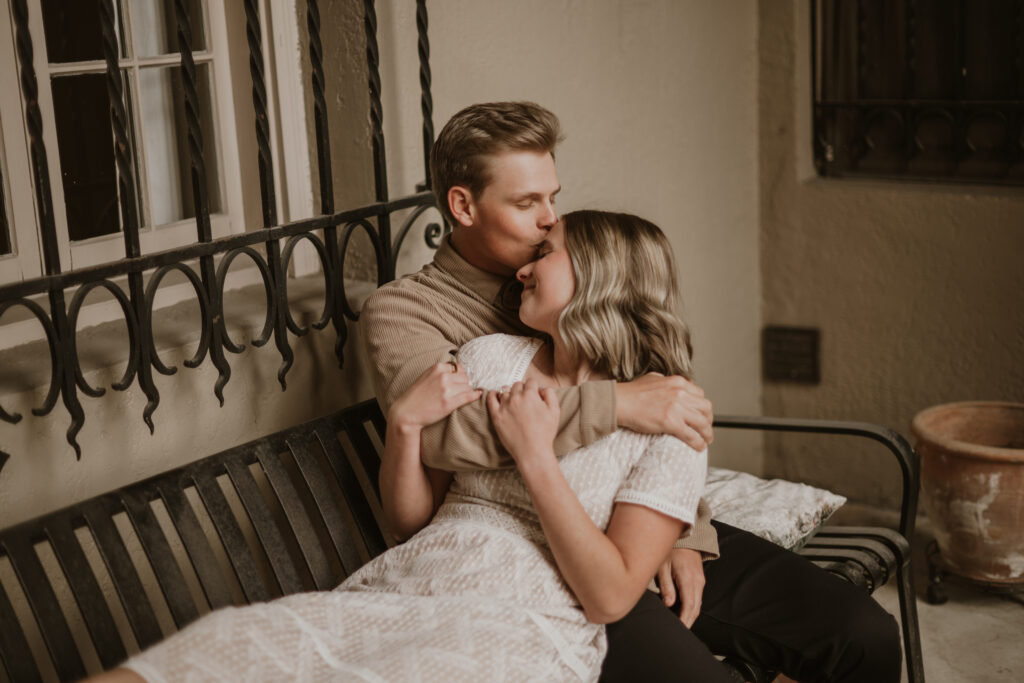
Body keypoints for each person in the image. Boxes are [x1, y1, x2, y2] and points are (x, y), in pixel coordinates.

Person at [361, 101, 902, 682]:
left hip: (631, 519)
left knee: (862, 636)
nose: (548, 219)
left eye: (552, 197)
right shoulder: (407, 310)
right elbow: (446, 433)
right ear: (463, 206)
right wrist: (620, 404)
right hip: (530, 551)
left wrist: (685, 529)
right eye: (526, 204)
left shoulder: (580, 277)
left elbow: (662, 397)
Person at [91, 210, 710, 681]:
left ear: (597, 277)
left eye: (545, 254)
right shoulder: (493, 358)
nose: (523, 266)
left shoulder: (673, 423)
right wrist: (405, 429)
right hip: (409, 583)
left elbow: (608, 597)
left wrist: (537, 457)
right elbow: (411, 522)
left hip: (520, 621)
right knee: (230, 643)